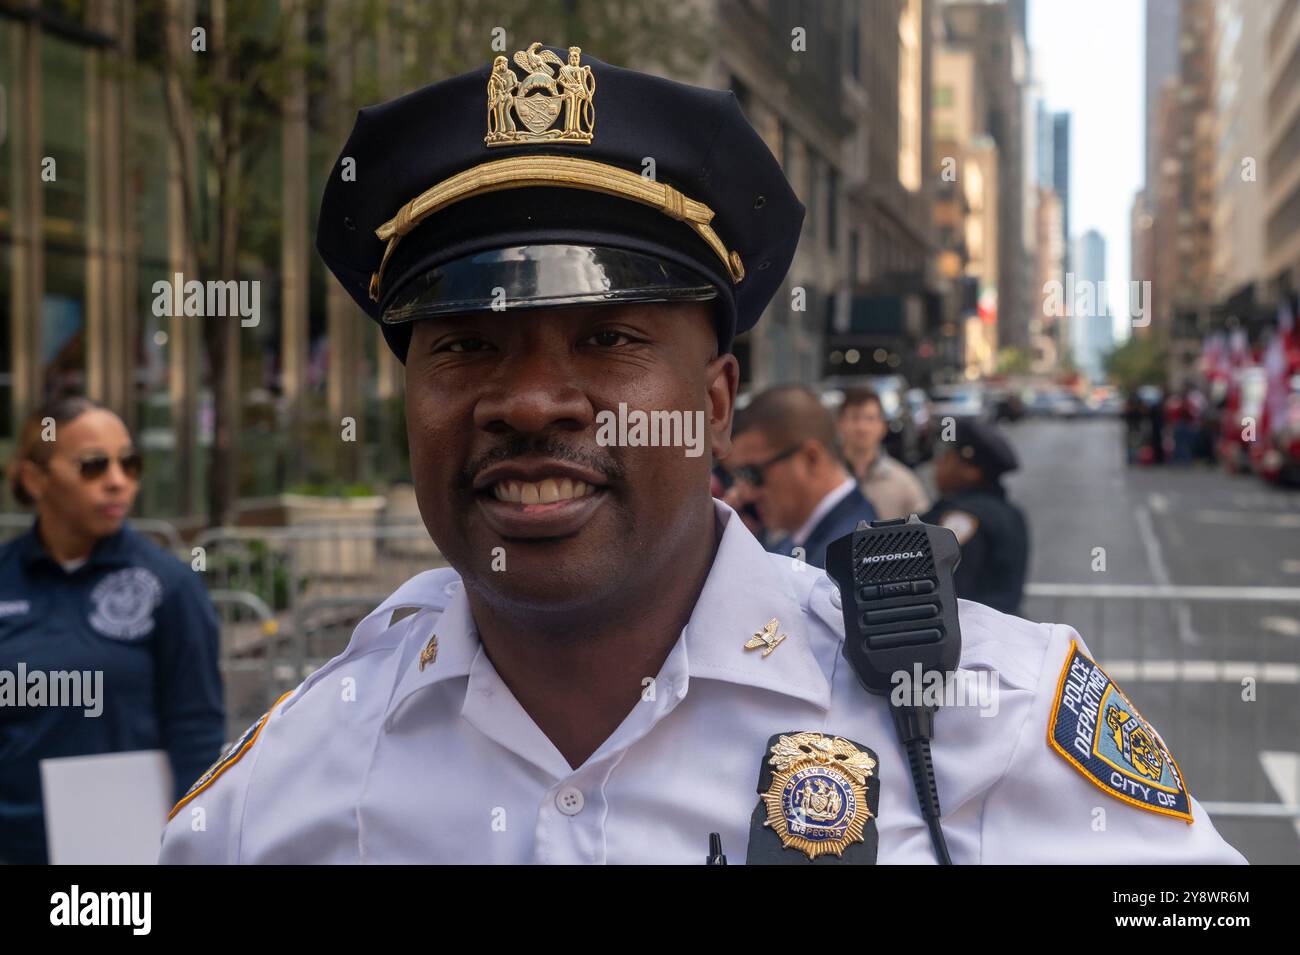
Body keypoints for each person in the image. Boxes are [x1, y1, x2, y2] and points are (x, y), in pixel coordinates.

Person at [159, 42, 1240, 864]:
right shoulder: (290, 785)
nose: (531, 401)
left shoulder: (985, 720)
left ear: (716, 403)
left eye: (609, 338)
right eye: (468, 344)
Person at [0, 396, 225, 864]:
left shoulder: (170, 585)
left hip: (123, 852)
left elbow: (196, 730)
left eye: (130, 464)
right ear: (34, 478)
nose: (118, 482)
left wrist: (191, 844)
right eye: (93, 466)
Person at [723, 386, 877, 569]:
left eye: (752, 474)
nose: (745, 493)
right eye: (739, 476)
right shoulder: (814, 536)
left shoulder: (852, 557)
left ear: (811, 458)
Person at [921, 418, 1029, 615]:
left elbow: (949, 587)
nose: (939, 464)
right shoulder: (1010, 512)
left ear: (972, 471)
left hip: (971, 638)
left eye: (947, 457)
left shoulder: (962, 517)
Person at [836, 387, 930, 520]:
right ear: (839, 424)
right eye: (854, 418)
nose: (862, 427)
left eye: (870, 419)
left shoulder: (904, 482)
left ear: (883, 427)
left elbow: (925, 530)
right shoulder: (822, 477)